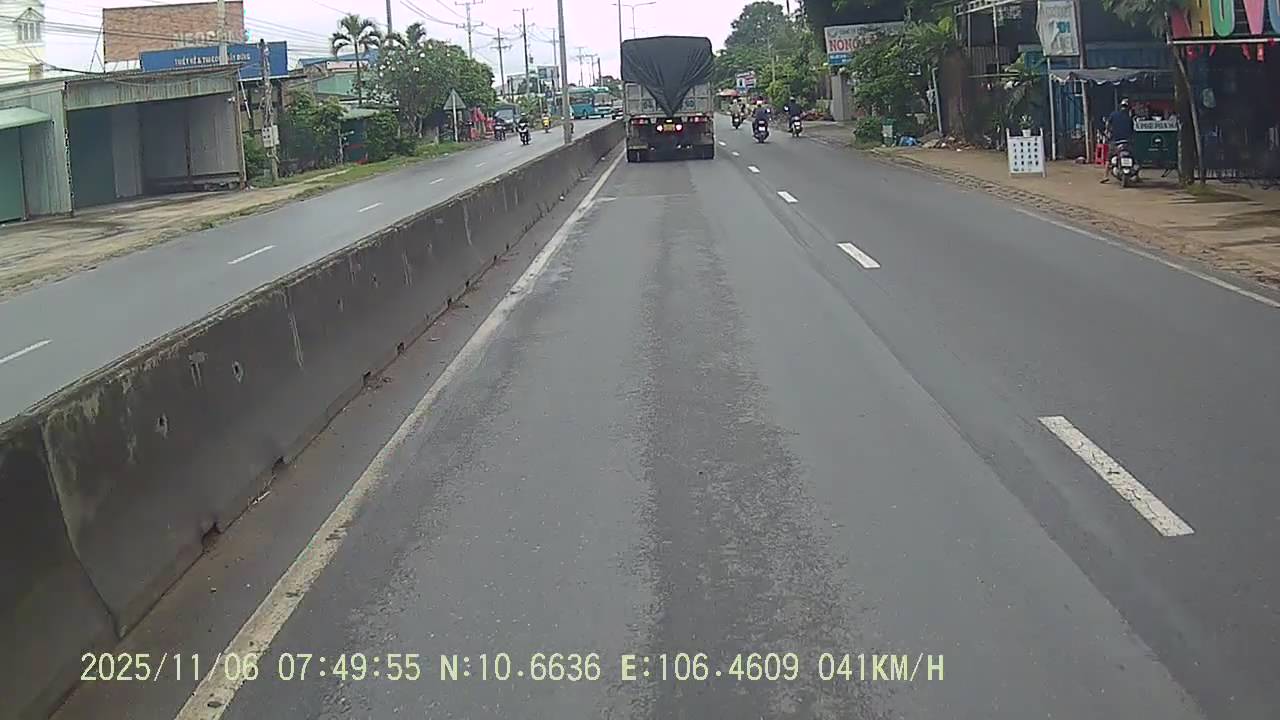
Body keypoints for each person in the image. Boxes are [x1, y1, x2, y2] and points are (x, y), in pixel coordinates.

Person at [1100, 98, 1134, 183]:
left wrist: (1107, 132)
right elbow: (1132, 131)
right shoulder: (1129, 118)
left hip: (1115, 142)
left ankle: (1105, 176)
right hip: (1127, 142)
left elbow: (1107, 124)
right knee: (1134, 156)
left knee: (1108, 158)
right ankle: (1135, 175)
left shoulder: (1114, 114)